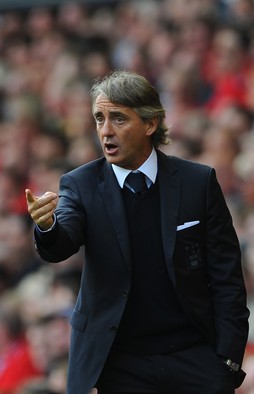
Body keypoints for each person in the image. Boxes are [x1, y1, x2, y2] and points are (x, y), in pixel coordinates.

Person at [25, 70, 249, 394]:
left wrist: (228, 359)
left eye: (118, 119)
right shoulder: (80, 184)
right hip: (118, 362)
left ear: (150, 124)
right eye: (99, 118)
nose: (105, 131)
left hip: (192, 355)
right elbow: (61, 243)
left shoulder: (197, 183)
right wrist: (47, 227)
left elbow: (227, 277)